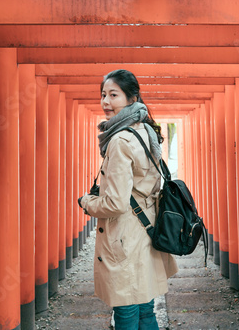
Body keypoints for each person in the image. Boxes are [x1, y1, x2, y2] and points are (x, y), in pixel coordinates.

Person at [78, 69, 178, 329]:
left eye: (114, 95)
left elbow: (115, 203)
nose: (106, 102)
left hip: (124, 238)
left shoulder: (120, 140)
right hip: (146, 233)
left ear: (131, 99)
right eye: (103, 95)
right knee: (145, 309)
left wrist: (86, 202)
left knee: (125, 312)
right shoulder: (145, 130)